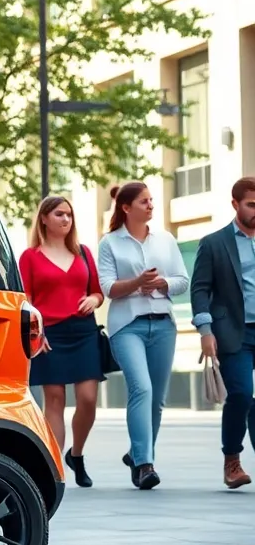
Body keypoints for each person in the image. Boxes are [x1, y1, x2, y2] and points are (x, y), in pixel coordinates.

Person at [97, 182, 188, 490]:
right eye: (144, 201)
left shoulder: (165, 239)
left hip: (163, 324)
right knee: (143, 390)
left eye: (151, 201)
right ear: (126, 207)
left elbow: (182, 280)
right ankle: (144, 465)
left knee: (157, 401)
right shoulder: (110, 243)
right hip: (127, 326)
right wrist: (138, 282)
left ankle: (139, 452)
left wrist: (161, 283)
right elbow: (108, 288)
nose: (151, 206)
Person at [18, 196, 105, 487]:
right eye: (59, 214)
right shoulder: (30, 256)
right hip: (48, 335)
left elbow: (97, 292)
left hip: (83, 331)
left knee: (88, 399)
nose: (66, 219)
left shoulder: (83, 253)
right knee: (54, 400)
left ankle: (76, 454)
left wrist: (93, 299)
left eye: (69, 214)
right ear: (44, 218)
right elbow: (25, 300)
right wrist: (36, 333)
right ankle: (56, 468)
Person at [188, 177, 255, 490]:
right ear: (235, 205)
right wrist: (205, 329)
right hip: (234, 333)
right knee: (241, 394)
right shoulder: (214, 243)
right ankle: (232, 460)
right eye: (251, 205)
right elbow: (200, 289)